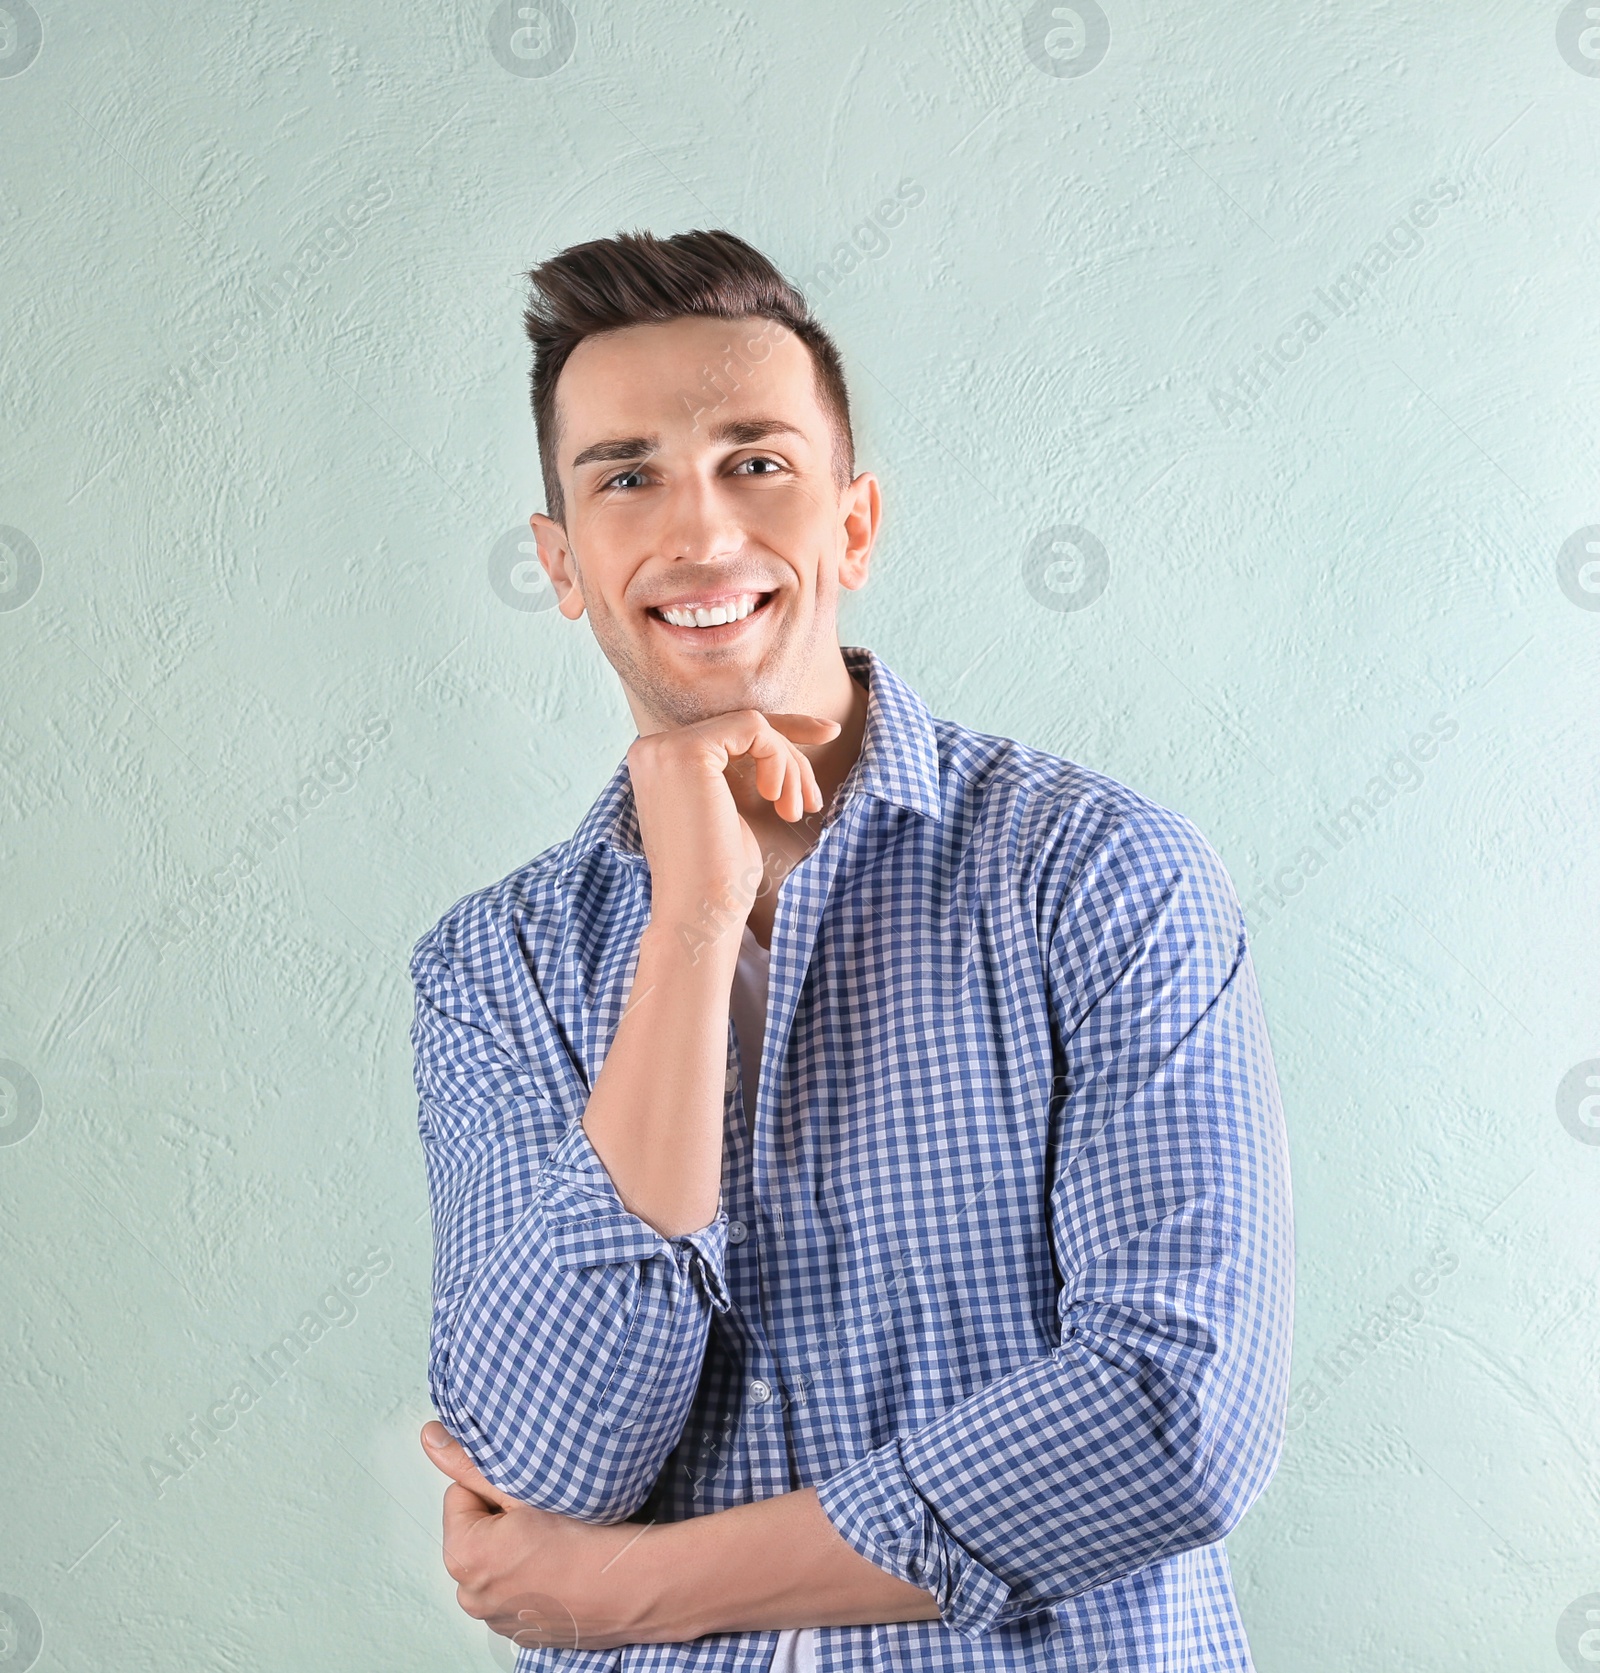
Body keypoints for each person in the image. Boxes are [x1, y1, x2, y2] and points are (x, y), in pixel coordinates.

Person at [411, 228, 1294, 1672]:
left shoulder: (1101, 877)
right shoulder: (490, 969)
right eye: (626, 475)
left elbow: (1171, 1419)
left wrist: (637, 1591)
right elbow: (552, 1460)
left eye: (756, 460)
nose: (699, 531)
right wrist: (690, 928)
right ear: (564, 563)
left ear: (854, 527)